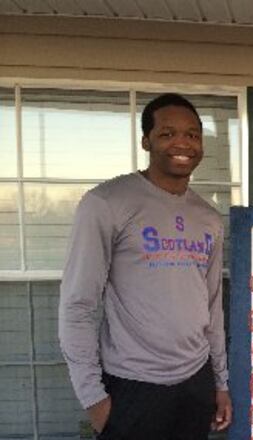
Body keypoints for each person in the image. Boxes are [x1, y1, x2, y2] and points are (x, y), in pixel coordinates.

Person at [59, 93, 232, 439]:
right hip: (132, 385)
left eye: (192, 134)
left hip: (196, 383)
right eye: (167, 133)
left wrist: (220, 382)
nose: (182, 143)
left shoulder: (208, 218)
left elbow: (212, 307)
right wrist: (93, 398)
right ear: (146, 141)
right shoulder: (106, 203)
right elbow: (78, 304)